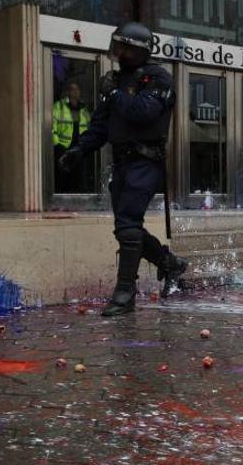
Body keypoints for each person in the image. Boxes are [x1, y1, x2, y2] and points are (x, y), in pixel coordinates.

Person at [58, 22, 187, 317]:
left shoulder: (158, 78)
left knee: (128, 224)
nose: (119, 52)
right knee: (125, 229)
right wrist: (78, 150)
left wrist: (115, 93)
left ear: (140, 50)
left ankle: (125, 294)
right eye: (118, 45)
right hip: (122, 164)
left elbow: (143, 112)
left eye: (125, 47)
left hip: (146, 162)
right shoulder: (115, 82)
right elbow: (101, 126)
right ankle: (171, 264)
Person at [52, 82, 91, 192]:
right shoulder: (59, 106)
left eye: (77, 89)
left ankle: (80, 201)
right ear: (68, 92)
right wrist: (57, 144)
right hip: (64, 147)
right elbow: (51, 126)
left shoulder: (83, 108)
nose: (75, 92)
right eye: (72, 89)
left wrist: (87, 143)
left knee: (79, 178)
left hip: (79, 147)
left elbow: (89, 126)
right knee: (63, 178)